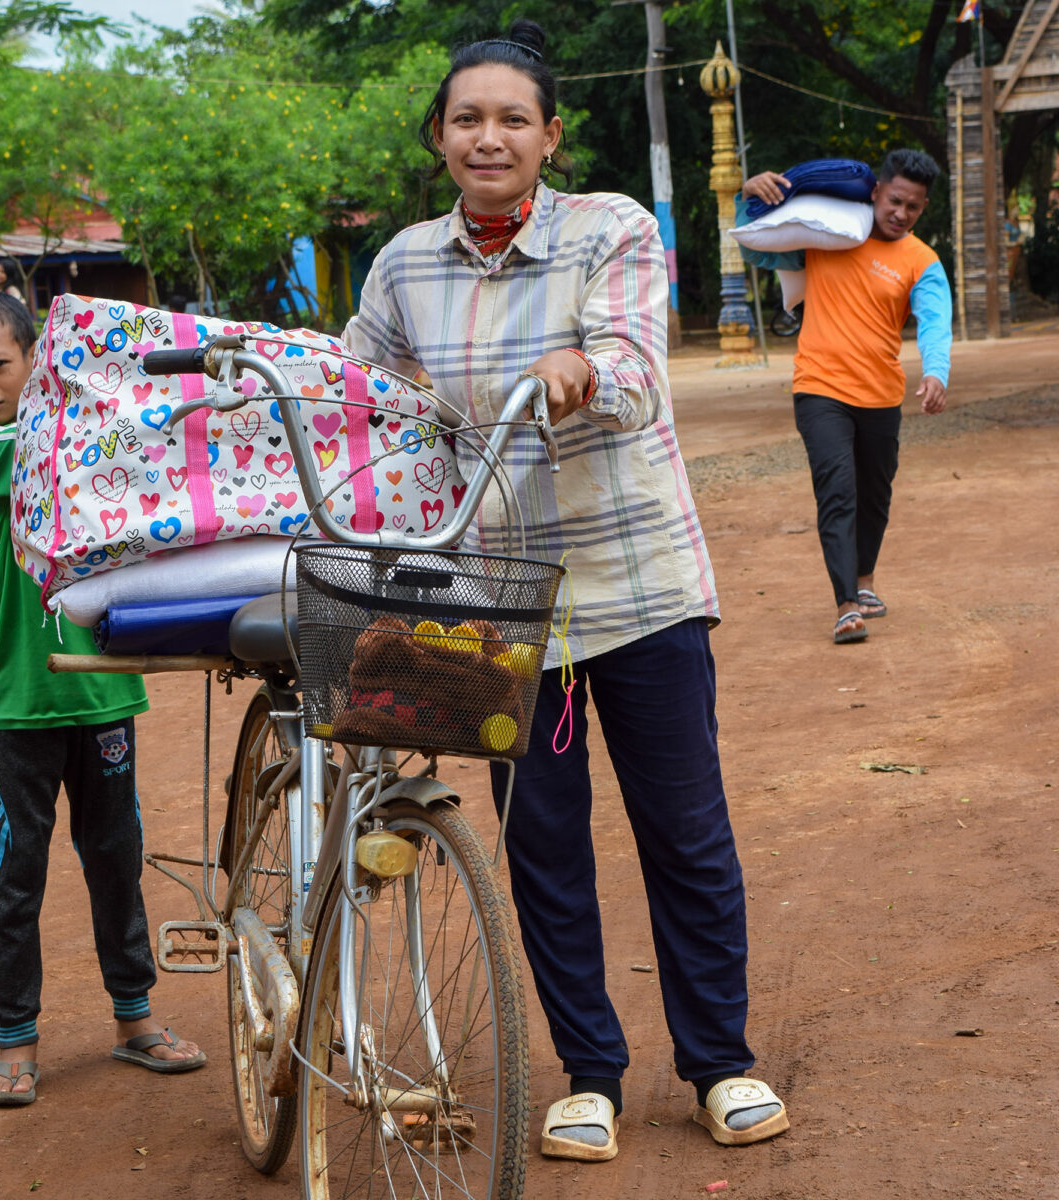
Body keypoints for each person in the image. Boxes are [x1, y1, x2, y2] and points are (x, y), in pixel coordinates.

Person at [342, 20, 787, 1163]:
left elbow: (635, 373)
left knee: (684, 830)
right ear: (440, 136)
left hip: (637, 581)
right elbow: (366, 399)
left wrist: (584, 370)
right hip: (497, 599)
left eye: (512, 118)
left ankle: (720, 1063)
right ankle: (589, 1071)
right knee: (540, 837)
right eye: (466, 118)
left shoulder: (612, 230)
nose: (488, 136)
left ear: (549, 135)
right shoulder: (402, 263)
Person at [0, 291, 205, 1106]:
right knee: (13, 873)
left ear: (35, 359)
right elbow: (64, 446)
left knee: (115, 860)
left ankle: (135, 1018)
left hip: (101, 694)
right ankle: (15, 1037)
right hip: (17, 704)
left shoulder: (86, 435)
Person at [739, 149, 952, 644]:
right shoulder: (827, 234)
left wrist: (936, 372)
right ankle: (846, 605)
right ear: (876, 191)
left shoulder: (922, 260)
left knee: (875, 495)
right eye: (895, 200)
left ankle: (865, 582)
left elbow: (936, 320)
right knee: (837, 490)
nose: (901, 213)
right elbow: (754, 246)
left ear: (922, 210)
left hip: (880, 394)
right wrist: (747, 192)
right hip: (819, 388)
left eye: (913, 207)